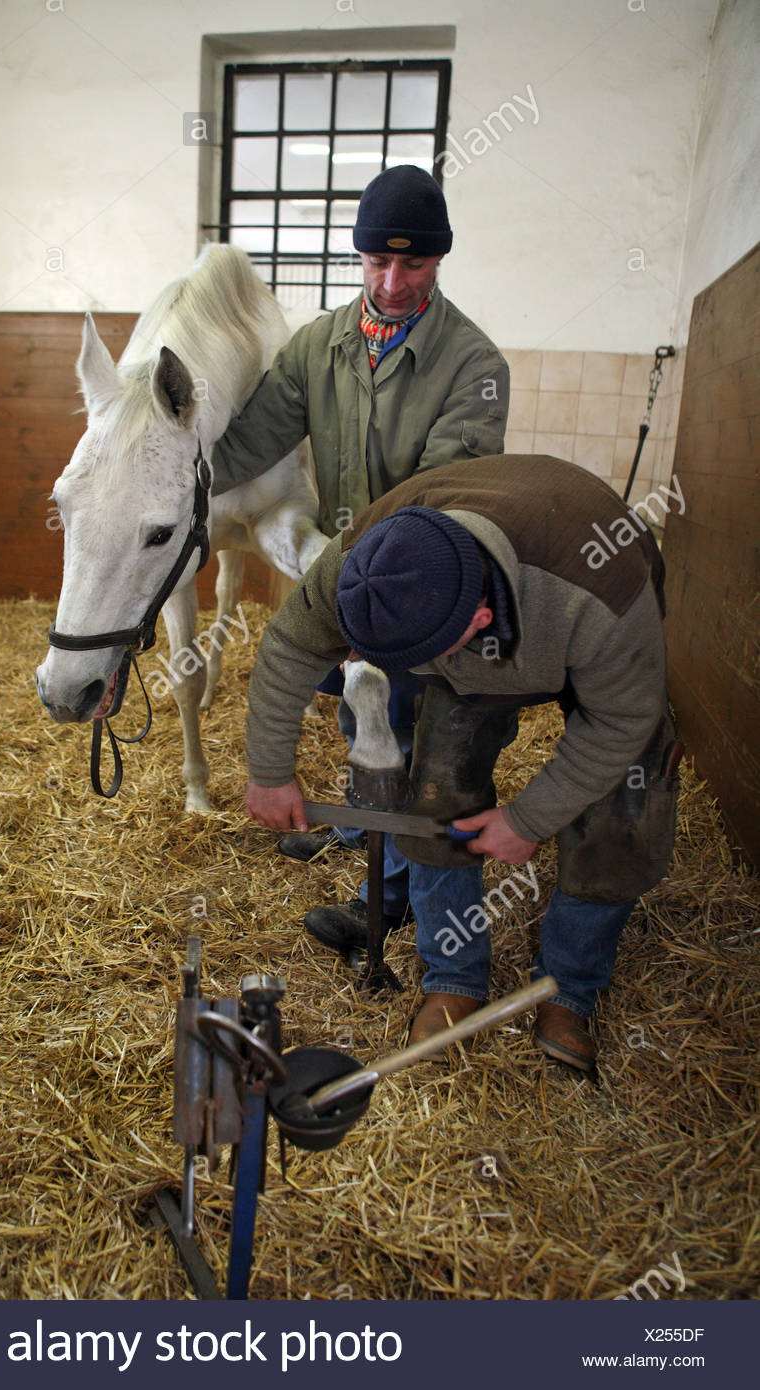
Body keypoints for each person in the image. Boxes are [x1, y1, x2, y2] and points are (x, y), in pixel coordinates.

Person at [243, 455, 681, 1071]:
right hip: (469, 633)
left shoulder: (601, 598)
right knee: (438, 790)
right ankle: (454, 978)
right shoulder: (367, 560)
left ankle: (570, 991)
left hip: (578, 617)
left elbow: (621, 722)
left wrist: (529, 820)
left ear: (476, 621)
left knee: (622, 818)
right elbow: (291, 642)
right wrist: (267, 770)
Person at [211, 164, 509, 951]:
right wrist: (177, 473)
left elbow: (434, 498)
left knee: (405, 735)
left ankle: (388, 895)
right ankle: (356, 834)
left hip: (417, 588)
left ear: (440, 262)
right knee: (356, 712)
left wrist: (340, 578)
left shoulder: (476, 367)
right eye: (378, 261)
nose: (394, 280)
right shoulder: (320, 347)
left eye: (414, 264)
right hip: (350, 580)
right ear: (358, 257)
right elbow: (251, 442)